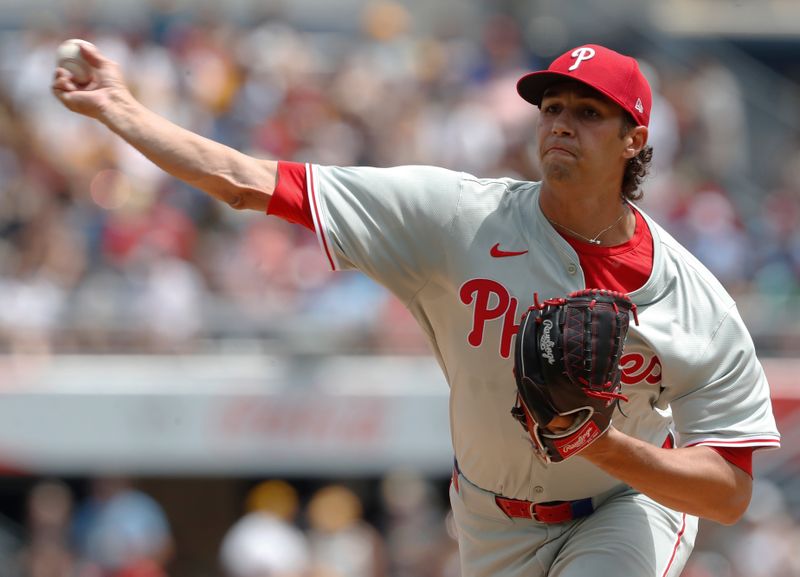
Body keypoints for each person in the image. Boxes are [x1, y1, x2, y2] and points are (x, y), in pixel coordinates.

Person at [52, 39, 780, 577]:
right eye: (551, 106)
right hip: (491, 518)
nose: (560, 122)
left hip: (625, 504)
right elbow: (250, 182)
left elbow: (728, 492)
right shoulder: (457, 216)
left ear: (635, 139)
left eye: (588, 112)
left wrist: (602, 445)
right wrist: (120, 110)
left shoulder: (694, 299)